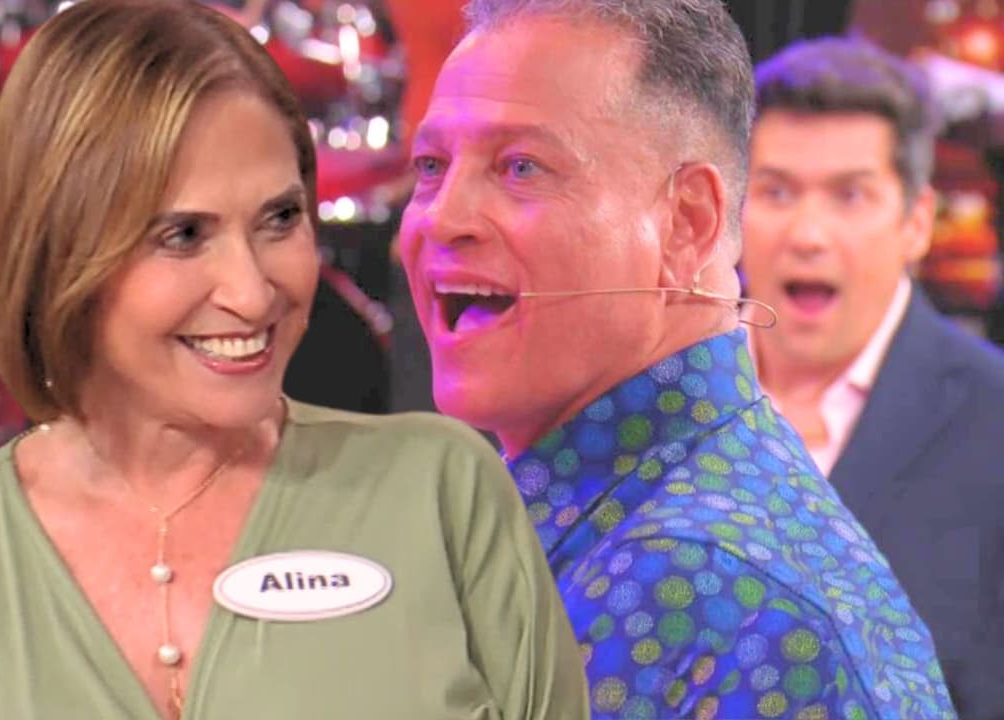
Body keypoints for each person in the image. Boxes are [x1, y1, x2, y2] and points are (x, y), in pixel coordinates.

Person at [0, 1, 590, 718]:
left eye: (280, 218)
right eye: (182, 234)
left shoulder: (443, 492)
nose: (251, 291)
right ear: (59, 249)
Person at [397, 0, 956, 717]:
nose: (442, 218)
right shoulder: (599, 520)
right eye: (431, 166)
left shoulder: (718, 594)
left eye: (520, 167)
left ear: (687, 223)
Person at [743, 36, 1004, 719]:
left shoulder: (994, 424)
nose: (807, 234)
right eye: (775, 191)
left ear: (916, 223)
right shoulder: (656, 396)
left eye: (850, 196)